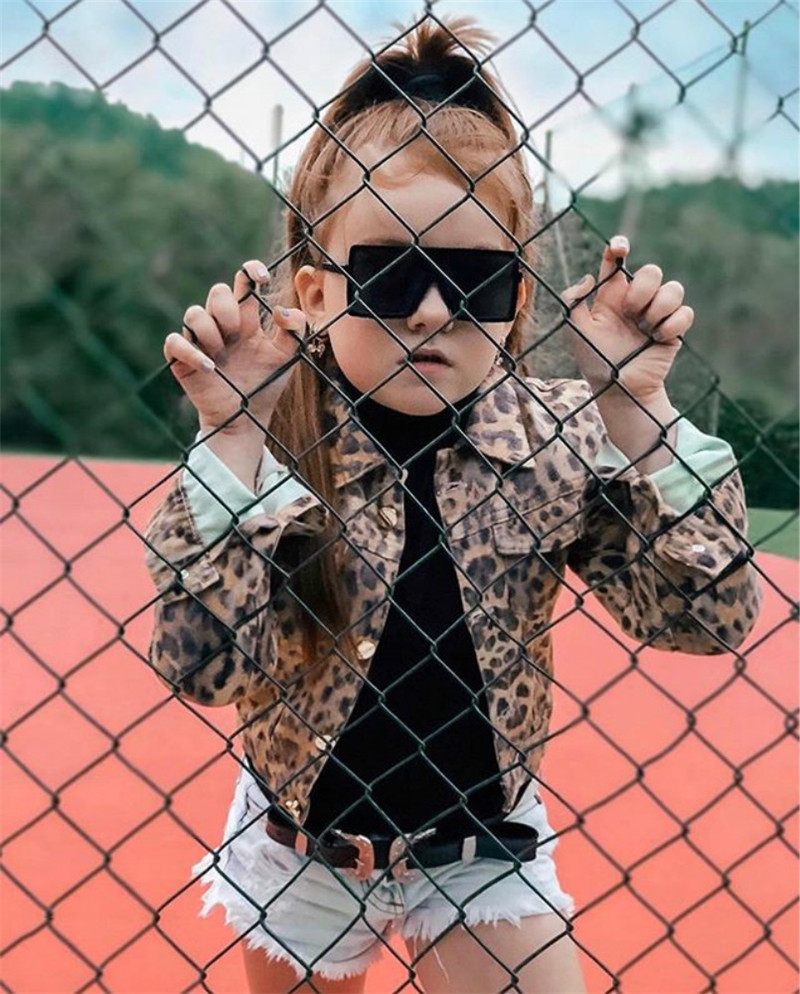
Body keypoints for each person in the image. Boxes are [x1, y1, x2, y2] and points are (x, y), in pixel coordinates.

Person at [143, 14, 763, 994]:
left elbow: (704, 618)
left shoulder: (560, 439)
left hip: (481, 846)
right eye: (390, 276)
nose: (432, 311)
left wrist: (636, 412)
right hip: (300, 848)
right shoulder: (279, 443)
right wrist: (229, 440)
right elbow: (203, 667)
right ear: (316, 291)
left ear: (516, 300)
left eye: (473, 281)